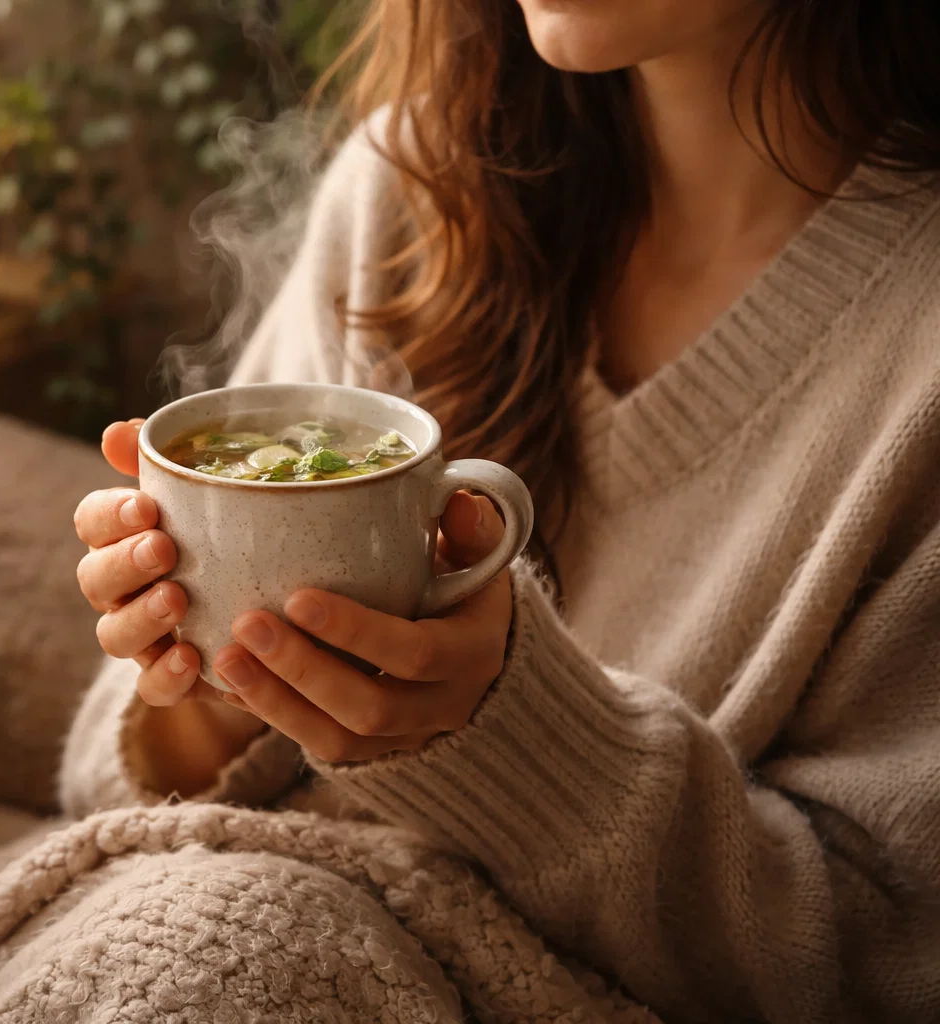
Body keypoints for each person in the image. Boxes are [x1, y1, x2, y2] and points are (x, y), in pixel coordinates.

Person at [70, 0, 940, 1021]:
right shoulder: (411, 186)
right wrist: (224, 664)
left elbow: (888, 964)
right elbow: (102, 789)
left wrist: (512, 734)